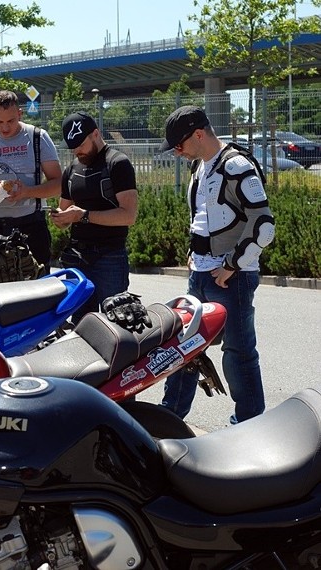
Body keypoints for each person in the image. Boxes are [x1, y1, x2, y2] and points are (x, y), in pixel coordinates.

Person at [159, 105, 275, 425]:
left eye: (179, 146)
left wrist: (233, 265)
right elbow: (203, 218)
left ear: (198, 134)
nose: (177, 153)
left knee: (238, 353)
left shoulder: (236, 165)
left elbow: (263, 226)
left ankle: (250, 422)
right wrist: (192, 252)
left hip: (231, 278)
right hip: (200, 273)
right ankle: (168, 418)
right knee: (183, 348)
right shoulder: (201, 166)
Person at [50, 111, 138, 320]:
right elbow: (65, 213)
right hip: (78, 257)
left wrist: (84, 215)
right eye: (72, 147)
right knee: (80, 324)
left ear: (96, 134)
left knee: (117, 321)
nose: (77, 151)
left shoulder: (117, 163)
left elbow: (129, 215)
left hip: (110, 257)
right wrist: (60, 218)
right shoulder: (71, 169)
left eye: (81, 144)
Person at [0, 90, 62, 273]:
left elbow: (58, 184)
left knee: (36, 292)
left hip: (31, 228)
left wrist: (27, 192)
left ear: (20, 114)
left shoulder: (37, 137)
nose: (5, 128)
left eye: (11, 121)